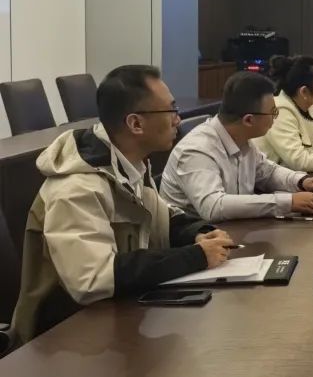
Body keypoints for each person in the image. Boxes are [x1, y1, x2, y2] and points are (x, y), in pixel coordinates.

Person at [10, 65, 233, 346]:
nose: (178, 119)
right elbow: (93, 278)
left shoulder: (129, 165)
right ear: (135, 124)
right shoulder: (76, 188)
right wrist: (195, 257)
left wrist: (198, 233)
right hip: (61, 339)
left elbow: (161, 216)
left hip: (114, 319)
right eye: (171, 110)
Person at [161, 71, 313, 221]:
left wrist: (302, 181)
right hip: (196, 241)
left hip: (234, 231)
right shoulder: (197, 149)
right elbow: (215, 206)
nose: (275, 118)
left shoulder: (242, 139)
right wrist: (289, 202)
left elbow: (268, 172)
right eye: (273, 112)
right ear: (249, 120)